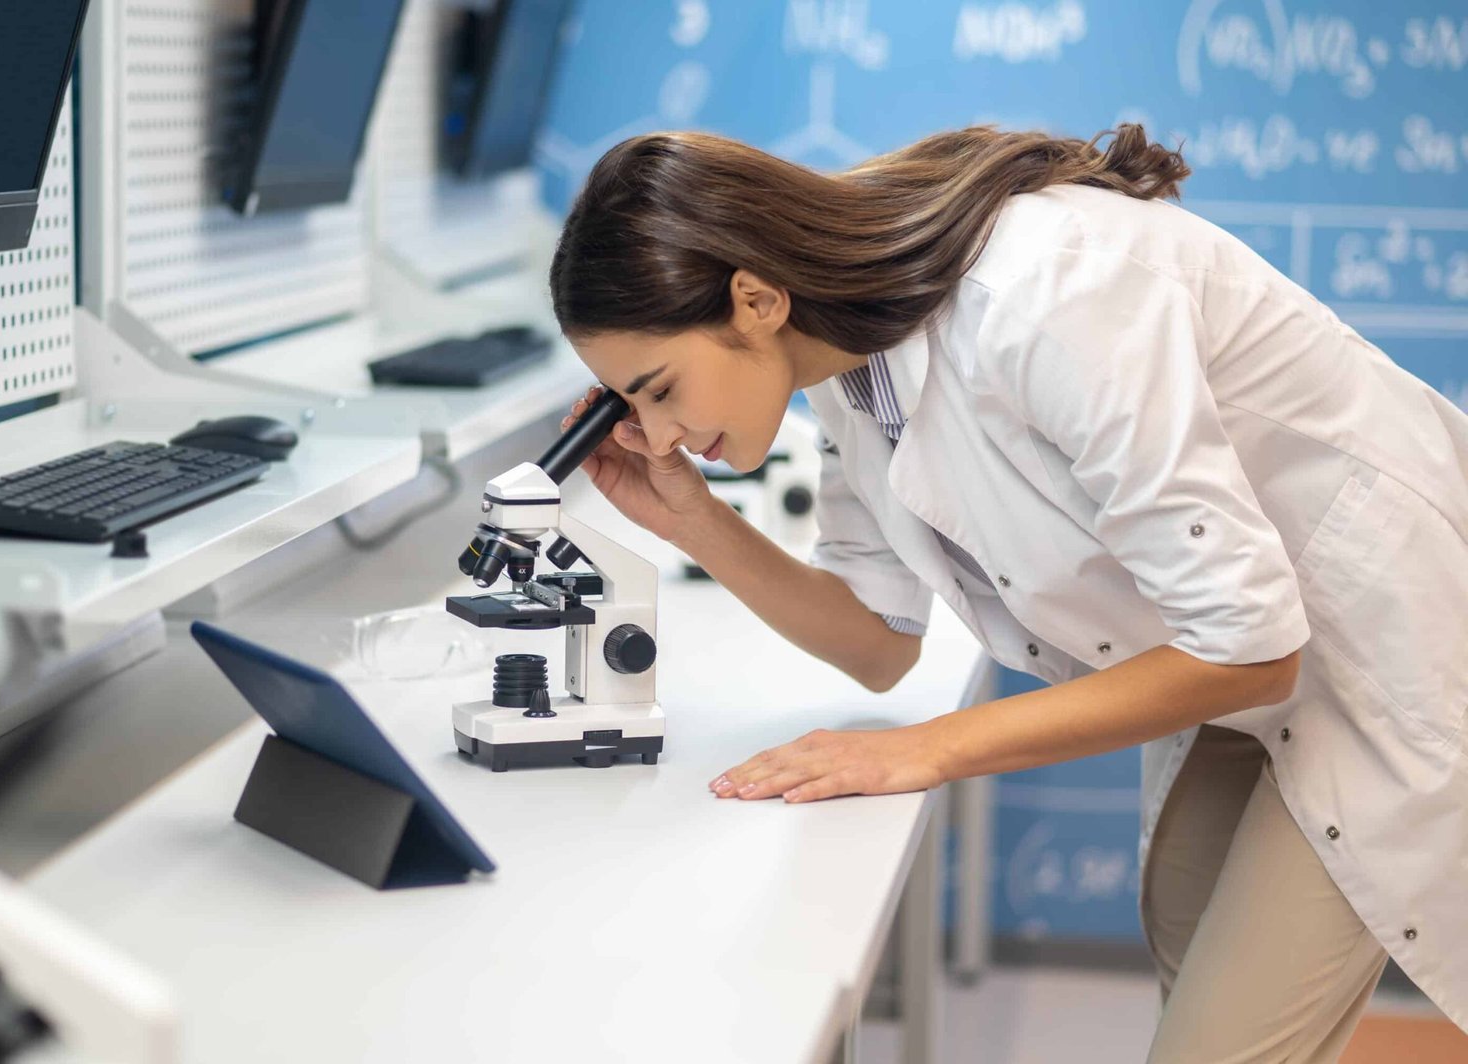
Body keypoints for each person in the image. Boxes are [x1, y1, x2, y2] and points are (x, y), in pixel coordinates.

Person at [549, 125, 1468, 1060]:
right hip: (1247, 646)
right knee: (1186, 937)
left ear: (755, 300)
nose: (657, 434)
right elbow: (877, 641)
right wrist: (691, 520)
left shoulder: (1045, 292)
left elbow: (1251, 650)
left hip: (1386, 648)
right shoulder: (842, 369)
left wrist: (924, 751)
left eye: (659, 390)